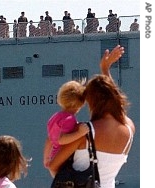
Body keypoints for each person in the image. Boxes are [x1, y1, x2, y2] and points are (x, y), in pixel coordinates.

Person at [48, 45, 135, 188]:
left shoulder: (85, 133)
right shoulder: (128, 127)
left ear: (92, 102)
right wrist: (105, 70)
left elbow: (53, 166)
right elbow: (117, 104)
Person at [43, 79, 90, 173]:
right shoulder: (69, 119)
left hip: (54, 158)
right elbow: (61, 139)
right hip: (62, 161)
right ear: (79, 104)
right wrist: (80, 133)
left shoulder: (55, 117)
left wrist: (47, 159)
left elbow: (49, 140)